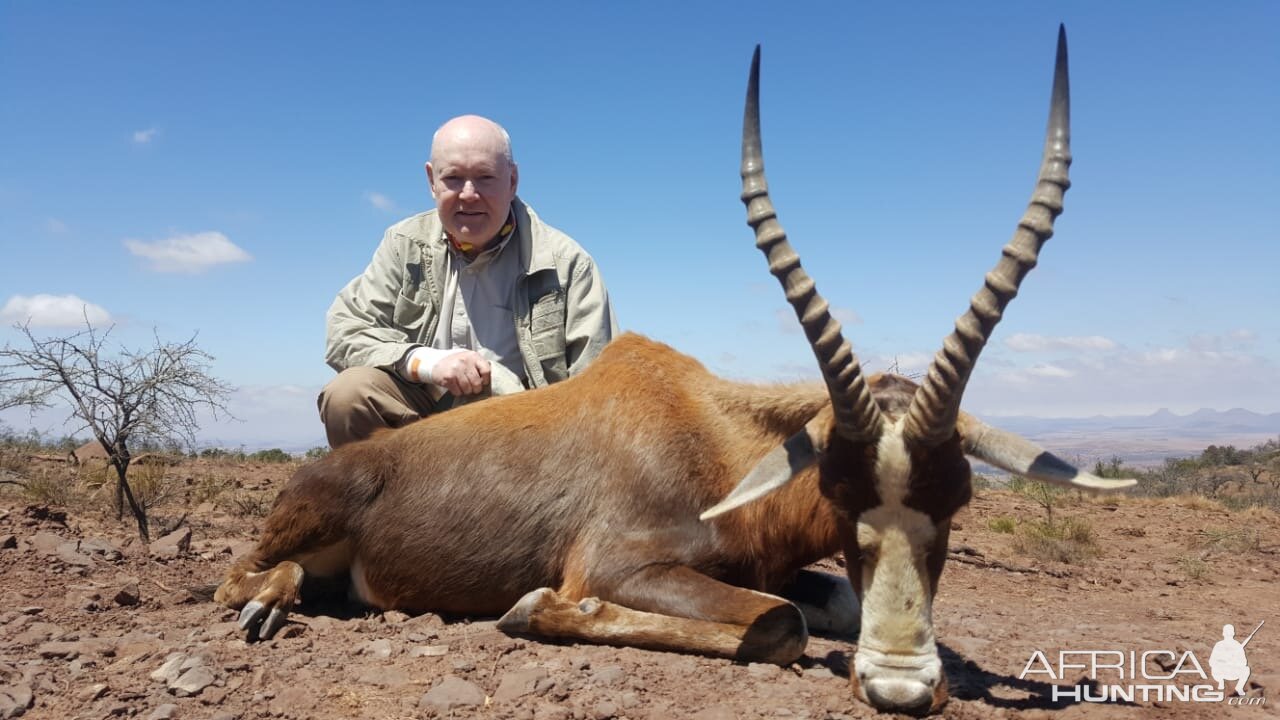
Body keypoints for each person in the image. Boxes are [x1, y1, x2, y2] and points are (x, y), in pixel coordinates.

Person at [320, 115, 618, 448]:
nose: (469, 194)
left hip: (522, 433)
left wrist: (502, 385)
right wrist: (427, 363)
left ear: (513, 180)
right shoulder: (403, 244)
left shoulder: (567, 265)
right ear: (432, 180)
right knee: (348, 396)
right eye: (453, 178)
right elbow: (346, 333)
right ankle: (385, 500)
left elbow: (597, 389)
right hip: (421, 415)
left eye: (485, 177)